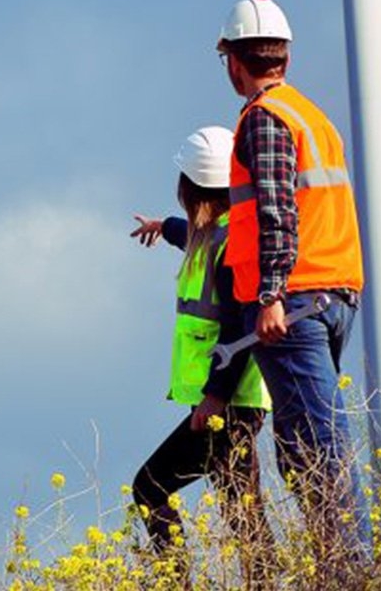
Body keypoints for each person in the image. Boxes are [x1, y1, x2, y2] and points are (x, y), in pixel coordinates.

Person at [213, 0, 366, 553]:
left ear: (233, 59)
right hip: (333, 295)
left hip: (292, 305)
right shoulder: (312, 115)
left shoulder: (264, 120)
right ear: (284, 57)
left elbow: (277, 210)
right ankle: (343, 562)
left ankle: (351, 571)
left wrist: (270, 293)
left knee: (315, 449)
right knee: (312, 442)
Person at [128, 127, 272, 573]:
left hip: (228, 401)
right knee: (242, 511)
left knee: (151, 487)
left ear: (187, 187)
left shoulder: (229, 246)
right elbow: (188, 234)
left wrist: (214, 397)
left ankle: (177, 582)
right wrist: (161, 226)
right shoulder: (216, 232)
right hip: (233, 402)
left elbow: (237, 326)